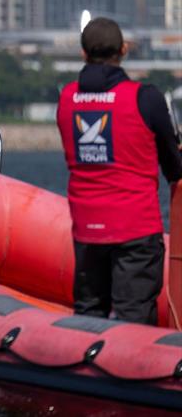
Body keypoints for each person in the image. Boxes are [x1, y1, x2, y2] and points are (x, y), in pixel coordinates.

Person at [56, 17, 182, 325]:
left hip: (87, 230)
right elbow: (173, 166)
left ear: (83, 53)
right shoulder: (146, 98)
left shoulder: (67, 99)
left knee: (88, 313)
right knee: (134, 318)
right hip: (136, 230)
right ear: (123, 50)